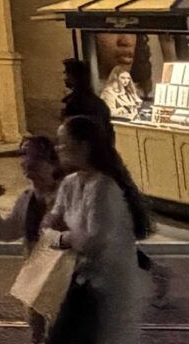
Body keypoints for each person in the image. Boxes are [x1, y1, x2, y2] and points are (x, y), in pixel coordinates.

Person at [47, 114, 152, 344]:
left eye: (63, 142)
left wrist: (62, 238)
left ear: (83, 146)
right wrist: (66, 237)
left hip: (106, 289)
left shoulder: (103, 188)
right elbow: (49, 226)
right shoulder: (70, 183)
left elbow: (94, 241)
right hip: (79, 284)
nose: (58, 148)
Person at [0, 135, 64, 341]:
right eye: (22, 155)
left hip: (64, 275)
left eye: (28, 155)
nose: (23, 162)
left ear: (48, 160)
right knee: (37, 327)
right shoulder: (27, 198)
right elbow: (8, 231)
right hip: (36, 275)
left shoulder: (66, 195)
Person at [61, 58, 112, 135]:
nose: (64, 78)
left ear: (74, 77)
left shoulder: (77, 102)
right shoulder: (98, 102)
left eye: (67, 74)